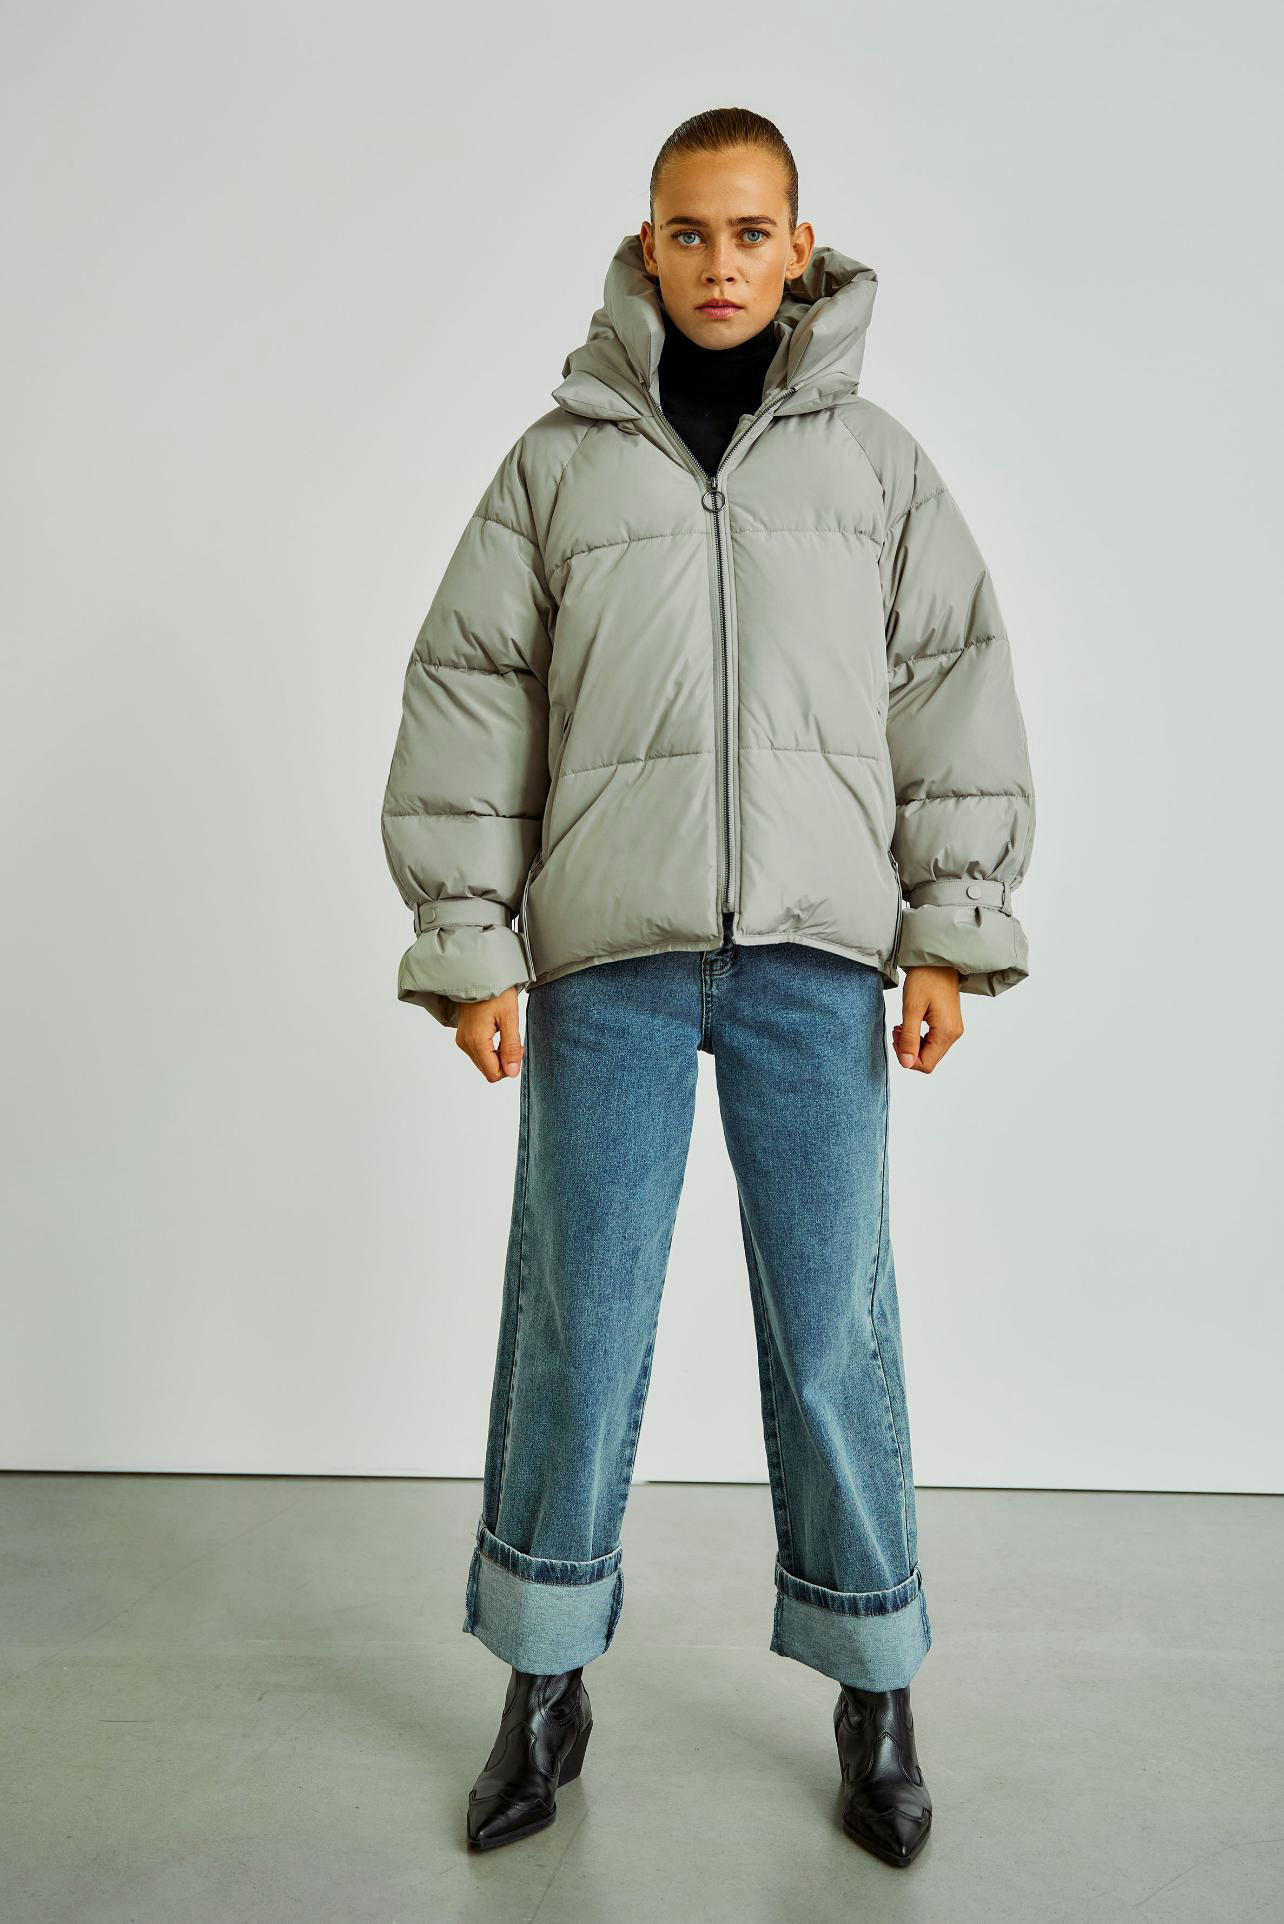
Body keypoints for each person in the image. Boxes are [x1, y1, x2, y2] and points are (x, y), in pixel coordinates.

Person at [380, 106, 1036, 1869]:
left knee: (833, 1335)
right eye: (691, 232)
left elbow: (952, 686)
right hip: (609, 962)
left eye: (753, 233)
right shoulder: (558, 467)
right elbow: (472, 692)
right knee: (578, 1328)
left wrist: (950, 929)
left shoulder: (875, 467)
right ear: (646, 244)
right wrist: (469, 941)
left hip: (815, 967)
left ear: (800, 247)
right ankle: (542, 1679)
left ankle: (875, 1686)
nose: (722, 264)